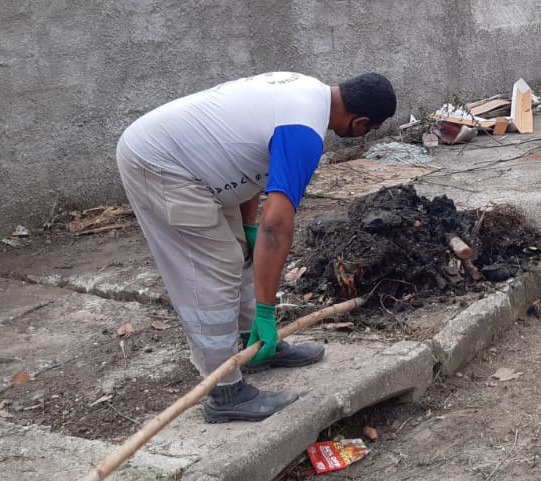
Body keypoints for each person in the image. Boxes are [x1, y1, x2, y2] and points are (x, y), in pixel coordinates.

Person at [115, 71, 397, 423]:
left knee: (242, 254)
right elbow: (277, 226)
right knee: (213, 269)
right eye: (368, 131)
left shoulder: (305, 92)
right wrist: (267, 310)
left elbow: (251, 165)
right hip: (161, 165)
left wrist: (248, 227)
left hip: (190, 164)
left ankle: (257, 348)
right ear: (361, 122)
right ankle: (223, 391)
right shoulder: (304, 133)